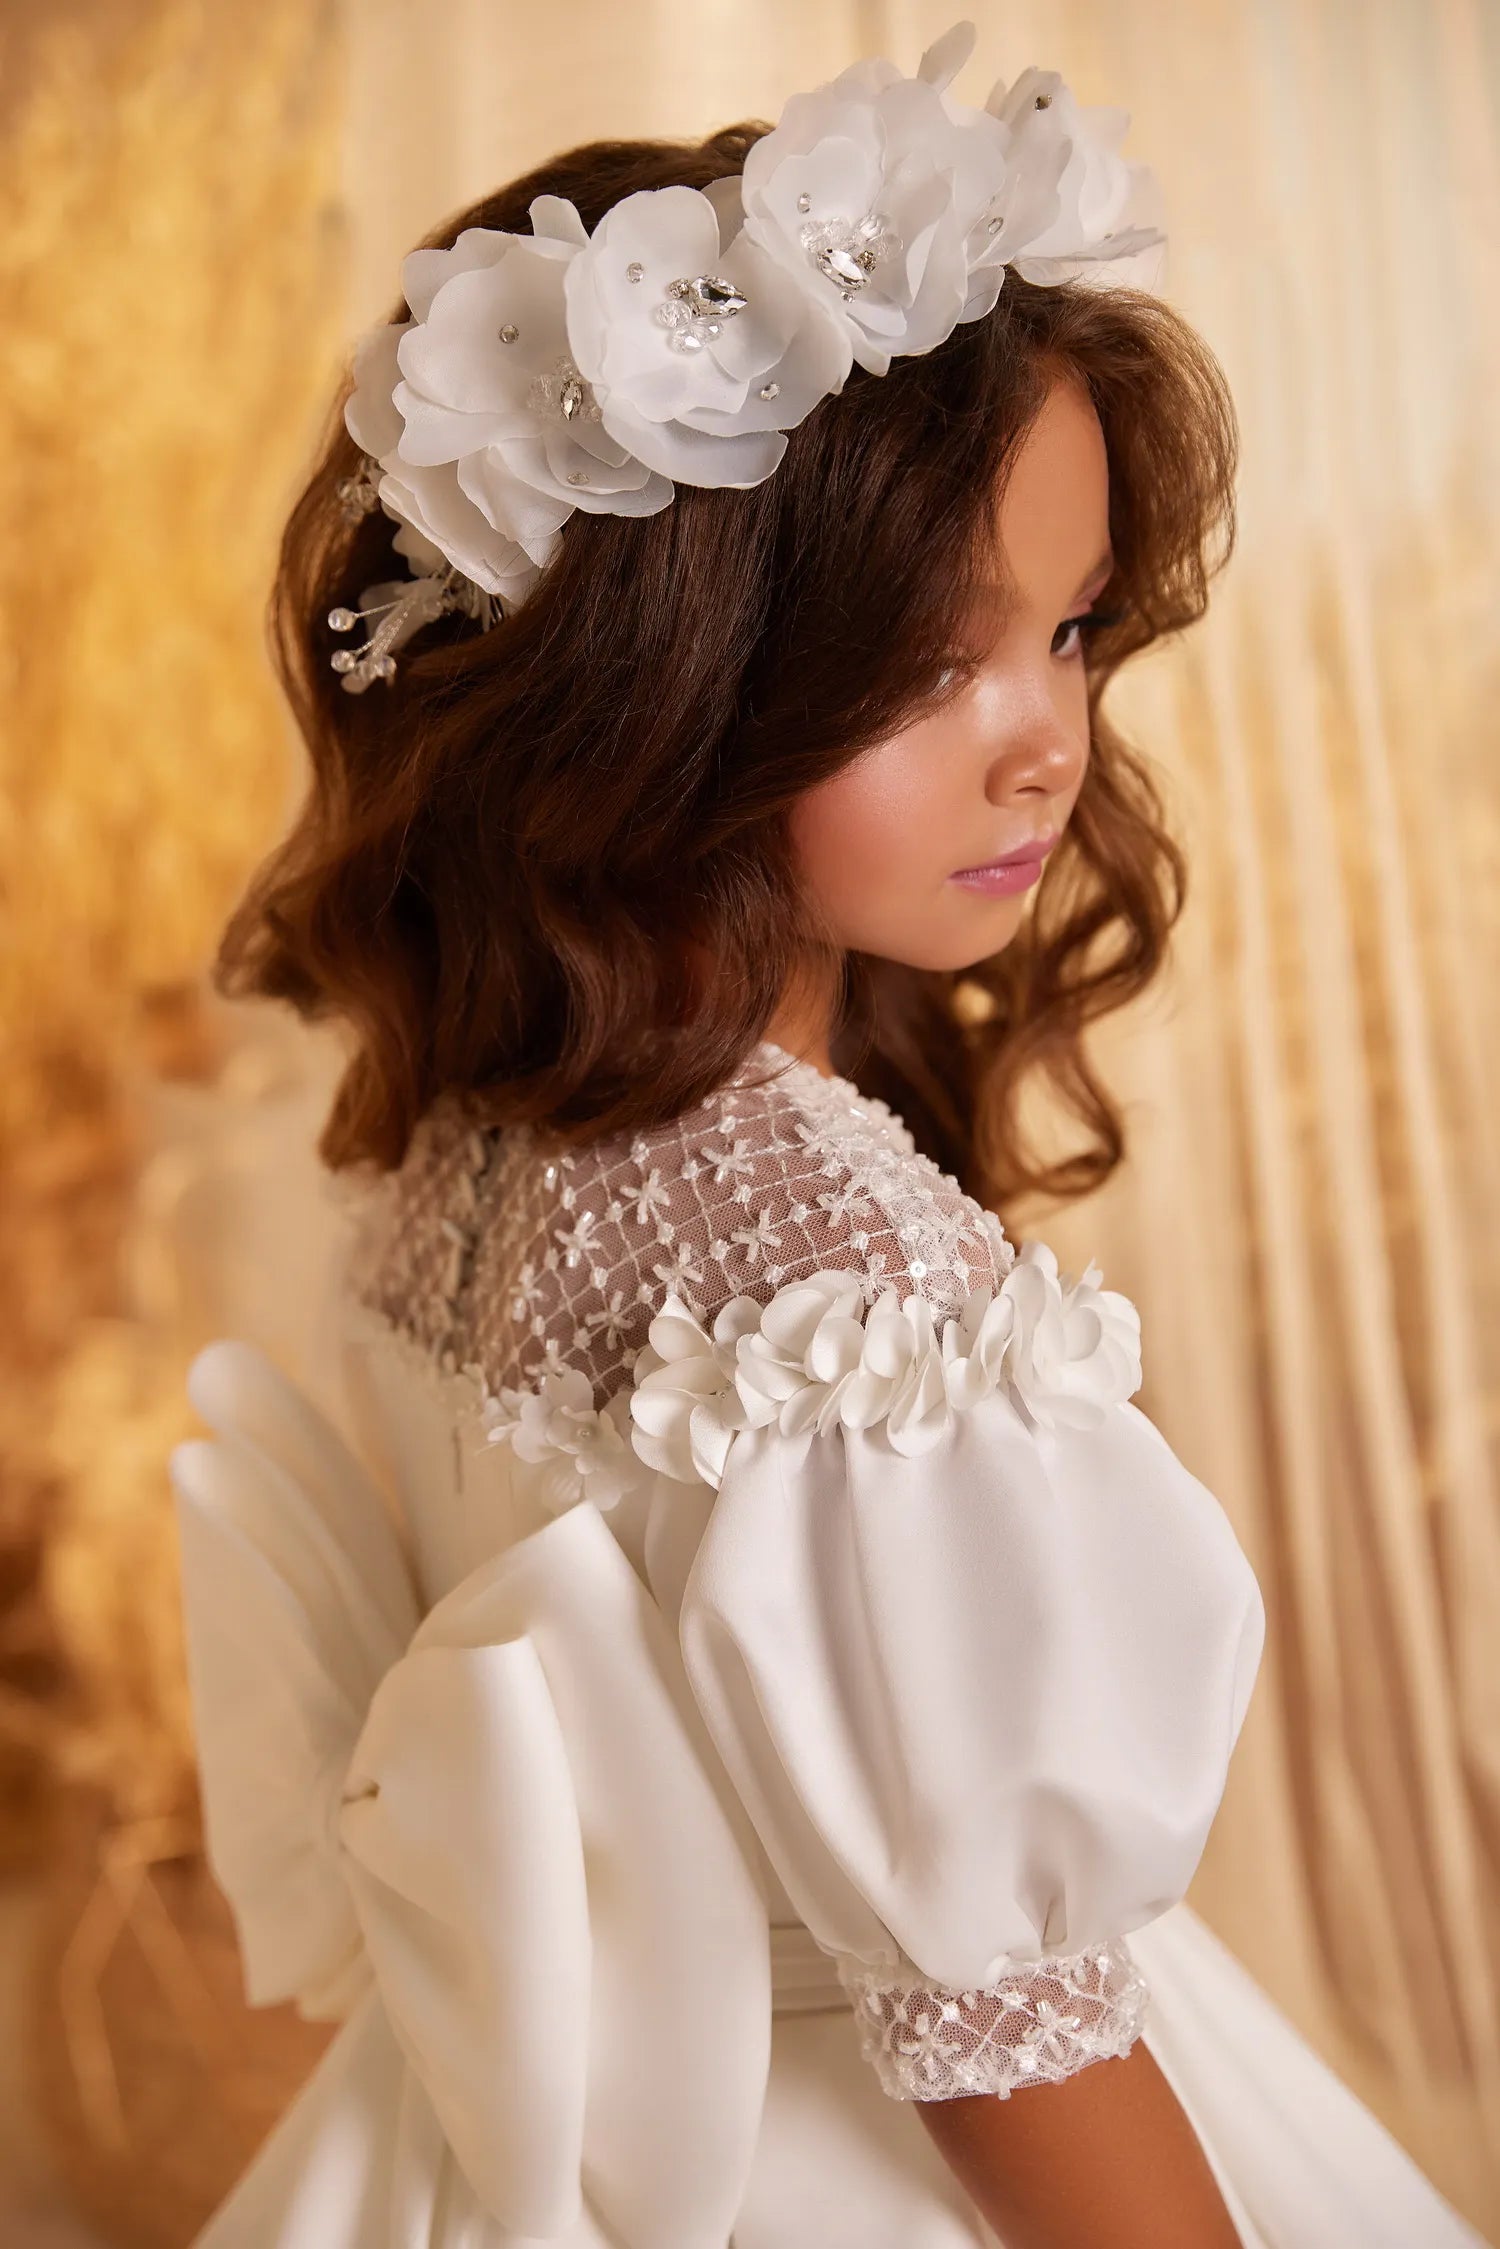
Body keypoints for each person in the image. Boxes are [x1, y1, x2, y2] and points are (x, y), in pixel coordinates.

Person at [168, 22, 1488, 2248]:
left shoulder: (458, 1146)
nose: (1049, 741)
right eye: (925, 665)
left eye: (1071, 632)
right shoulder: (831, 1294)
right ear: (658, 682)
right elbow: (1025, 2047)